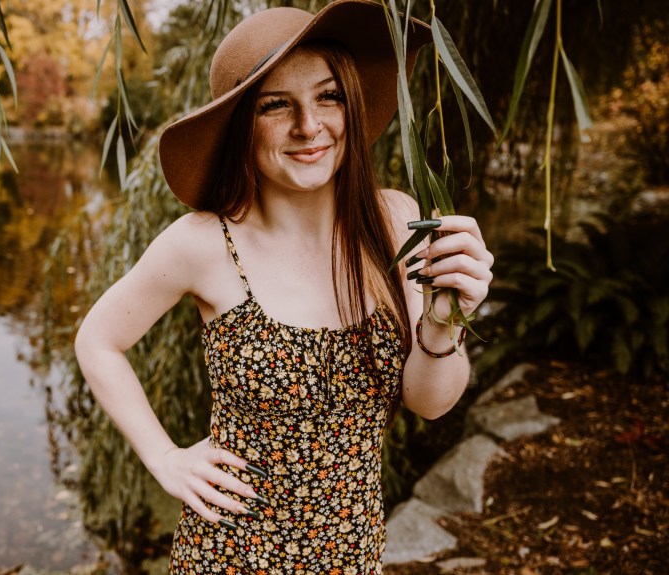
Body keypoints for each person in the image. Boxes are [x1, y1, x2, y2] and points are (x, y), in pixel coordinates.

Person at [74, 0, 494, 572]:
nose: (309, 126)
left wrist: (442, 319)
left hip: (352, 554)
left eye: (328, 96)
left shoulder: (395, 221)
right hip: (230, 554)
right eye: (276, 105)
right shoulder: (204, 243)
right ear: (241, 124)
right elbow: (97, 340)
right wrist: (164, 457)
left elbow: (430, 402)